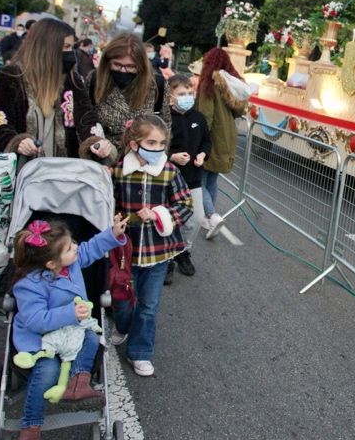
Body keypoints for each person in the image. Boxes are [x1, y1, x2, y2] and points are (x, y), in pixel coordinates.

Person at [10, 213, 127, 440]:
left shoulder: (71, 262)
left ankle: (78, 382)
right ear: (52, 263)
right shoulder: (30, 284)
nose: (77, 247)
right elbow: (35, 320)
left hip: (71, 332)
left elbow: (90, 248)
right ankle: (29, 432)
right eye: (70, 247)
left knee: (92, 338)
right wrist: (69, 314)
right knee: (47, 371)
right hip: (42, 341)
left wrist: (113, 233)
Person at [97, 112, 191, 377]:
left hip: (158, 251)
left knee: (149, 305)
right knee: (122, 299)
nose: (158, 149)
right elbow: (107, 201)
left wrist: (163, 214)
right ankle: (123, 325)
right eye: (151, 143)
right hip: (125, 251)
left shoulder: (169, 171)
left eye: (162, 144)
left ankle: (140, 352)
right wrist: (112, 215)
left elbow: (185, 204)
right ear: (134, 143)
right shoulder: (118, 170)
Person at [0, 18, 87, 159]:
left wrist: (95, 142)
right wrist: (17, 142)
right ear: (47, 47)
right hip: (24, 169)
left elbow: (86, 116)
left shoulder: (73, 79)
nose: (70, 52)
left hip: (63, 169)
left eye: (71, 47)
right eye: (65, 47)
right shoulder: (11, 76)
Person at [77, 32, 169, 152]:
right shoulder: (95, 80)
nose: (123, 71)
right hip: (103, 158)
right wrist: (94, 148)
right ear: (108, 62)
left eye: (131, 66)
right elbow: (84, 121)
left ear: (141, 65)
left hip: (143, 160)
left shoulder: (157, 85)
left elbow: (165, 125)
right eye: (117, 65)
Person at [197, 47, 251, 232]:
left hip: (211, 139)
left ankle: (212, 215)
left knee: (199, 181)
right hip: (228, 138)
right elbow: (239, 111)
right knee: (212, 181)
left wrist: (199, 141)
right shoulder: (233, 85)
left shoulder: (209, 84)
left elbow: (206, 117)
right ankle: (208, 218)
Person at [166, 74, 211, 277]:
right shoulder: (163, 119)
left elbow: (206, 142)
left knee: (197, 218)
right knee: (169, 220)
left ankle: (183, 251)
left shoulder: (198, 118)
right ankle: (166, 259)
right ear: (170, 97)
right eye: (181, 94)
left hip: (193, 179)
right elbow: (154, 147)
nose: (187, 97)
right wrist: (172, 156)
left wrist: (203, 154)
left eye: (190, 93)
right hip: (168, 180)